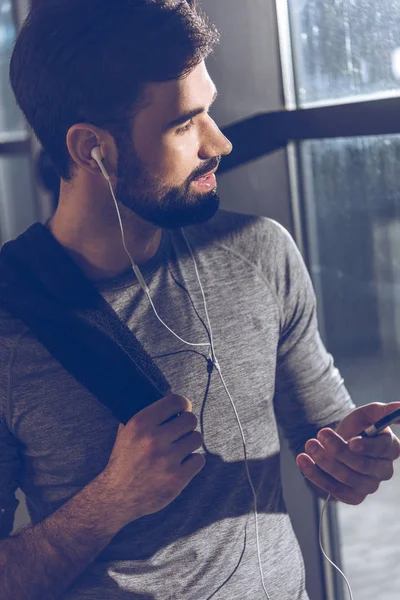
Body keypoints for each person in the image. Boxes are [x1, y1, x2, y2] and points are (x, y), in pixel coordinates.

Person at [0, 1, 399, 599]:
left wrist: (352, 462)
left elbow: (327, 449)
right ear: (91, 149)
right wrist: (111, 501)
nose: (220, 142)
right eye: (185, 123)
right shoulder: (9, 320)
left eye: (208, 110)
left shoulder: (260, 252)